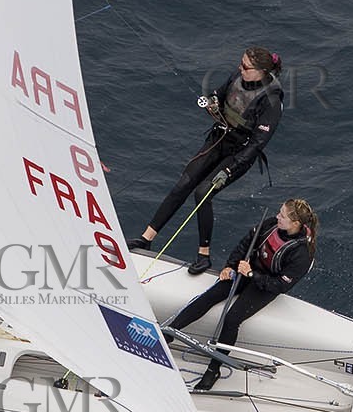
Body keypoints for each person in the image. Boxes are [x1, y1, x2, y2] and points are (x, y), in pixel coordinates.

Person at [128, 46, 285, 274]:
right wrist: (212, 103)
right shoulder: (237, 76)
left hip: (238, 155)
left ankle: (204, 256)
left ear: (261, 71)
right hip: (218, 139)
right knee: (183, 184)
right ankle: (146, 238)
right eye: (240, 63)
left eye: (246, 67)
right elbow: (218, 94)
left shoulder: (271, 99)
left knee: (203, 193)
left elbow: (258, 143)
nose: (240, 68)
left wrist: (231, 170)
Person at [165, 199, 318, 392]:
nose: (277, 216)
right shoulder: (271, 224)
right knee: (210, 296)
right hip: (248, 268)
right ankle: (168, 334)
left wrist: (252, 275)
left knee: (232, 319)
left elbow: (279, 285)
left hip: (265, 284)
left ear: (295, 223)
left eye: (282, 216)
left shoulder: (302, 254)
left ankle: (214, 369)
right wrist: (230, 265)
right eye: (279, 212)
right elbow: (245, 243)